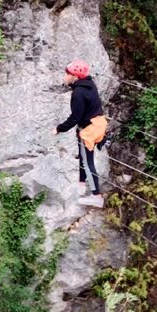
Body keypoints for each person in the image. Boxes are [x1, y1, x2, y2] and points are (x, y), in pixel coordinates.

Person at [53, 60, 108, 208]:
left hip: (89, 130)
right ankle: (82, 183)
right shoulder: (90, 85)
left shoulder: (78, 93)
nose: (65, 76)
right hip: (98, 124)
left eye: (68, 73)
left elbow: (75, 117)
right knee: (83, 156)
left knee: (87, 162)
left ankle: (97, 196)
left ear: (75, 77)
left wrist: (59, 128)